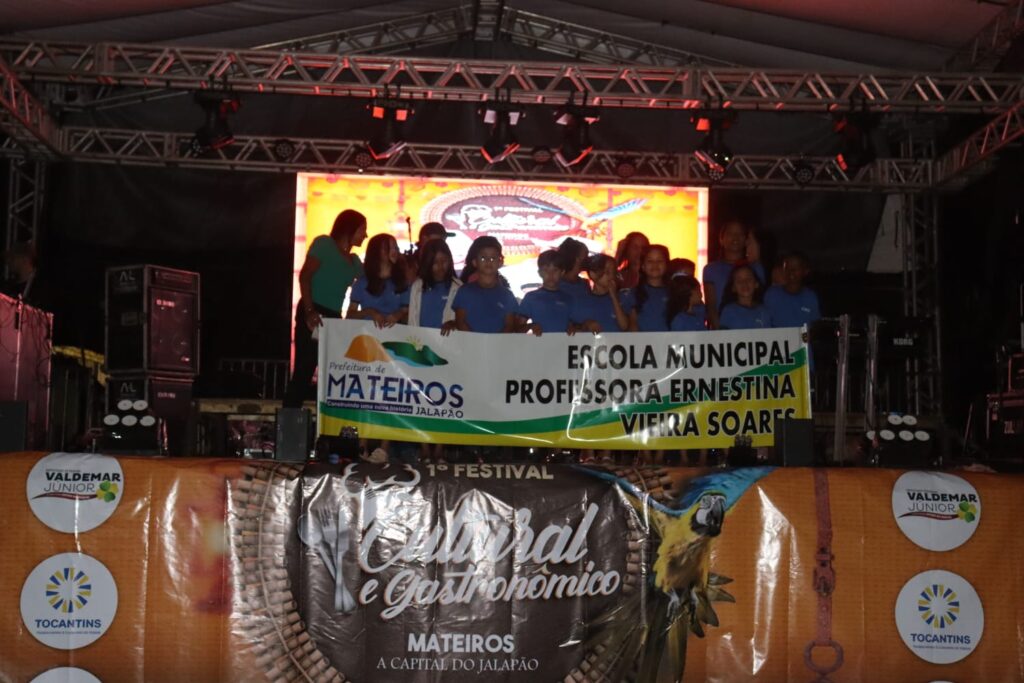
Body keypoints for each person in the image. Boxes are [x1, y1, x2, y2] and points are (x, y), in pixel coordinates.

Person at [283, 209, 366, 408]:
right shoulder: (324, 244)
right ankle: (289, 418)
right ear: (350, 228)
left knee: (334, 371)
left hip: (334, 317)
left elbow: (371, 284)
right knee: (304, 367)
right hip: (314, 310)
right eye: (362, 230)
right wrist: (309, 311)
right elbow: (305, 276)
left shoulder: (355, 261)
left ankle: (329, 421)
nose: (365, 235)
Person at [702, 220, 765, 329]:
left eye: (740, 234)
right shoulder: (711, 269)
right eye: (730, 233)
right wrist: (721, 333)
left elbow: (760, 300)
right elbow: (711, 306)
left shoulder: (756, 267)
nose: (735, 237)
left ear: (745, 240)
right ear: (721, 239)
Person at [452, 236, 518, 333]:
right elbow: (460, 322)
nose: (488, 261)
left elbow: (510, 325)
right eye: (483, 258)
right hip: (469, 342)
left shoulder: (507, 295)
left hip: (498, 343)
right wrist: (476, 340)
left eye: (493, 258)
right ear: (475, 262)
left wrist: (495, 341)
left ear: (500, 262)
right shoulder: (464, 291)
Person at [346, 234, 409, 327]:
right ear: (376, 251)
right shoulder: (362, 283)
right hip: (367, 333)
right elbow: (350, 315)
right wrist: (369, 312)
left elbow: (409, 312)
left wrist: (398, 315)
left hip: (396, 333)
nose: (394, 251)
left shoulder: (402, 282)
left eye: (395, 247)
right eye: (388, 248)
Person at [407, 239, 461, 333]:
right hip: (421, 340)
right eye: (435, 262)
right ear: (427, 263)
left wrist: (454, 323)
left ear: (450, 260)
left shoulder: (459, 287)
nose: (440, 266)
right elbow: (412, 320)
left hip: (448, 340)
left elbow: (465, 320)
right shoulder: (417, 286)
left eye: (444, 261)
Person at [516, 250, 574, 336]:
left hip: (563, 344)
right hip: (539, 344)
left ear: (562, 272)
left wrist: (573, 327)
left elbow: (576, 325)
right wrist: (531, 326)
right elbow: (517, 329)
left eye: (555, 270)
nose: (550, 275)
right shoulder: (531, 298)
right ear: (540, 273)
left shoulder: (569, 299)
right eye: (546, 270)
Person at [571, 254, 629, 334]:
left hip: (615, 341)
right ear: (593, 274)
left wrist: (614, 297)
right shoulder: (581, 300)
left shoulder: (622, 297)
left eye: (613, 272)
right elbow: (572, 326)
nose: (611, 275)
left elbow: (624, 326)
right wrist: (586, 324)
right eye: (607, 271)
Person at [621, 244, 671, 332]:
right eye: (650, 261)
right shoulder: (631, 295)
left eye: (659, 261)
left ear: (667, 265)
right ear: (643, 266)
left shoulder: (674, 294)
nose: (655, 264)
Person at [764, 251, 821, 328]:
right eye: (788, 267)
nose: (791, 271)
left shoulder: (810, 297)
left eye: (796, 268)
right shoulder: (772, 294)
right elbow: (764, 323)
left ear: (805, 271)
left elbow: (815, 326)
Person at [719, 264, 773, 330]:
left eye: (749, 279)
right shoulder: (728, 311)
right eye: (739, 281)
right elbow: (723, 335)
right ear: (733, 287)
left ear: (756, 284)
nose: (744, 283)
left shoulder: (763, 311)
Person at [2, 241, 45, 309]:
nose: (8, 261)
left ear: (24, 259)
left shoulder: (41, 288)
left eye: (13, 258)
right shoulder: (8, 286)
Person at [557, 238, 591, 304]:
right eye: (586, 255)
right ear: (577, 258)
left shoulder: (584, 284)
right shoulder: (556, 285)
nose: (588, 259)